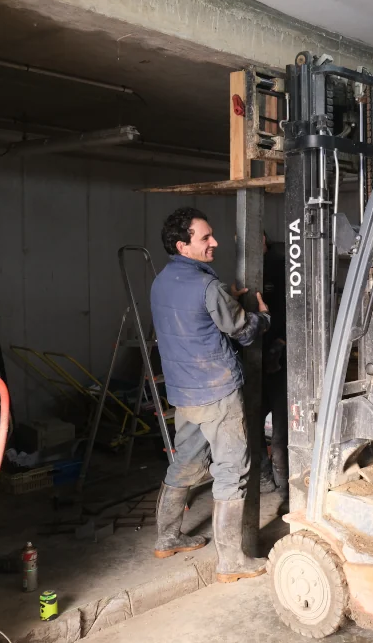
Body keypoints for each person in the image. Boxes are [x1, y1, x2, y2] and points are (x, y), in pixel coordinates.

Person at [149, 207, 271, 583]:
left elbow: (193, 318)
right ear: (182, 245)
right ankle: (231, 562)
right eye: (205, 238)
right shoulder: (207, 287)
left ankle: (167, 538)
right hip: (217, 392)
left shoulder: (162, 281)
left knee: (184, 463)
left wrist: (224, 300)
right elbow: (243, 332)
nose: (214, 242)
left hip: (184, 393)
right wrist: (263, 317)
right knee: (233, 470)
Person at [259, 233, 289, 497]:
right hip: (255, 357)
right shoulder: (246, 272)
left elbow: (293, 310)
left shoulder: (280, 267)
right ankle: (265, 477)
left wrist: (280, 343)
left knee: (281, 430)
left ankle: (285, 486)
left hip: (279, 356)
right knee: (251, 423)